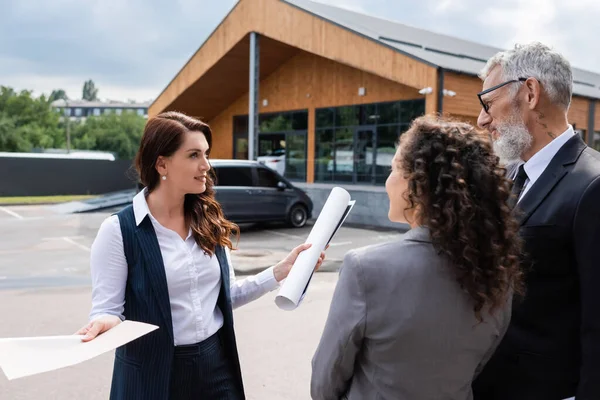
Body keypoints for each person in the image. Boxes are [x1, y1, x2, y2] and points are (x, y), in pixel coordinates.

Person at [76, 111, 325, 400]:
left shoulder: (206, 220)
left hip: (215, 366)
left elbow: (226, 296)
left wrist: (281, 271)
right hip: (151, 375)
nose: (206, 165)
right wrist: (107, 321)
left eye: (206, 154)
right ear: (162, 163)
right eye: (194, 155)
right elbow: (107, 308)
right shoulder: (118, 231)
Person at [310, 115, 523, 400]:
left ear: (418, 184)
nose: (388, 181)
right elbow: (479, 366)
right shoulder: (498, 272)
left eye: (394, 169)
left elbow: (325, 383)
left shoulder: (365, 268)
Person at [472, 42, 600, 400]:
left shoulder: (593, 184)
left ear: (530, 92)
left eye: (488, 102)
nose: (482, 119)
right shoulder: (510, 175)